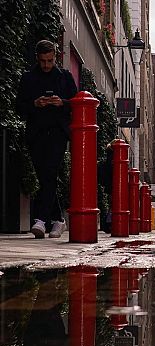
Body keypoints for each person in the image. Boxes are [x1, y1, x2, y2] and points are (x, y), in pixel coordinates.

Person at [15, 40, 78, 239]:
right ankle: (58, 219)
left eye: (50, 61)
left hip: (58, 134)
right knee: (45, 177)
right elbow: (19, 107)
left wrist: (62, 102)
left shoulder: (65, 77)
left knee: (50, 172)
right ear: (37, 58)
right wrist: (35, 103)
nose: (46, 65)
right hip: (36, 133)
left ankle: (41, 221)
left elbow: (76, 103)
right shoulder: (28, 78)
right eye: (43, 61)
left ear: (56, 57)